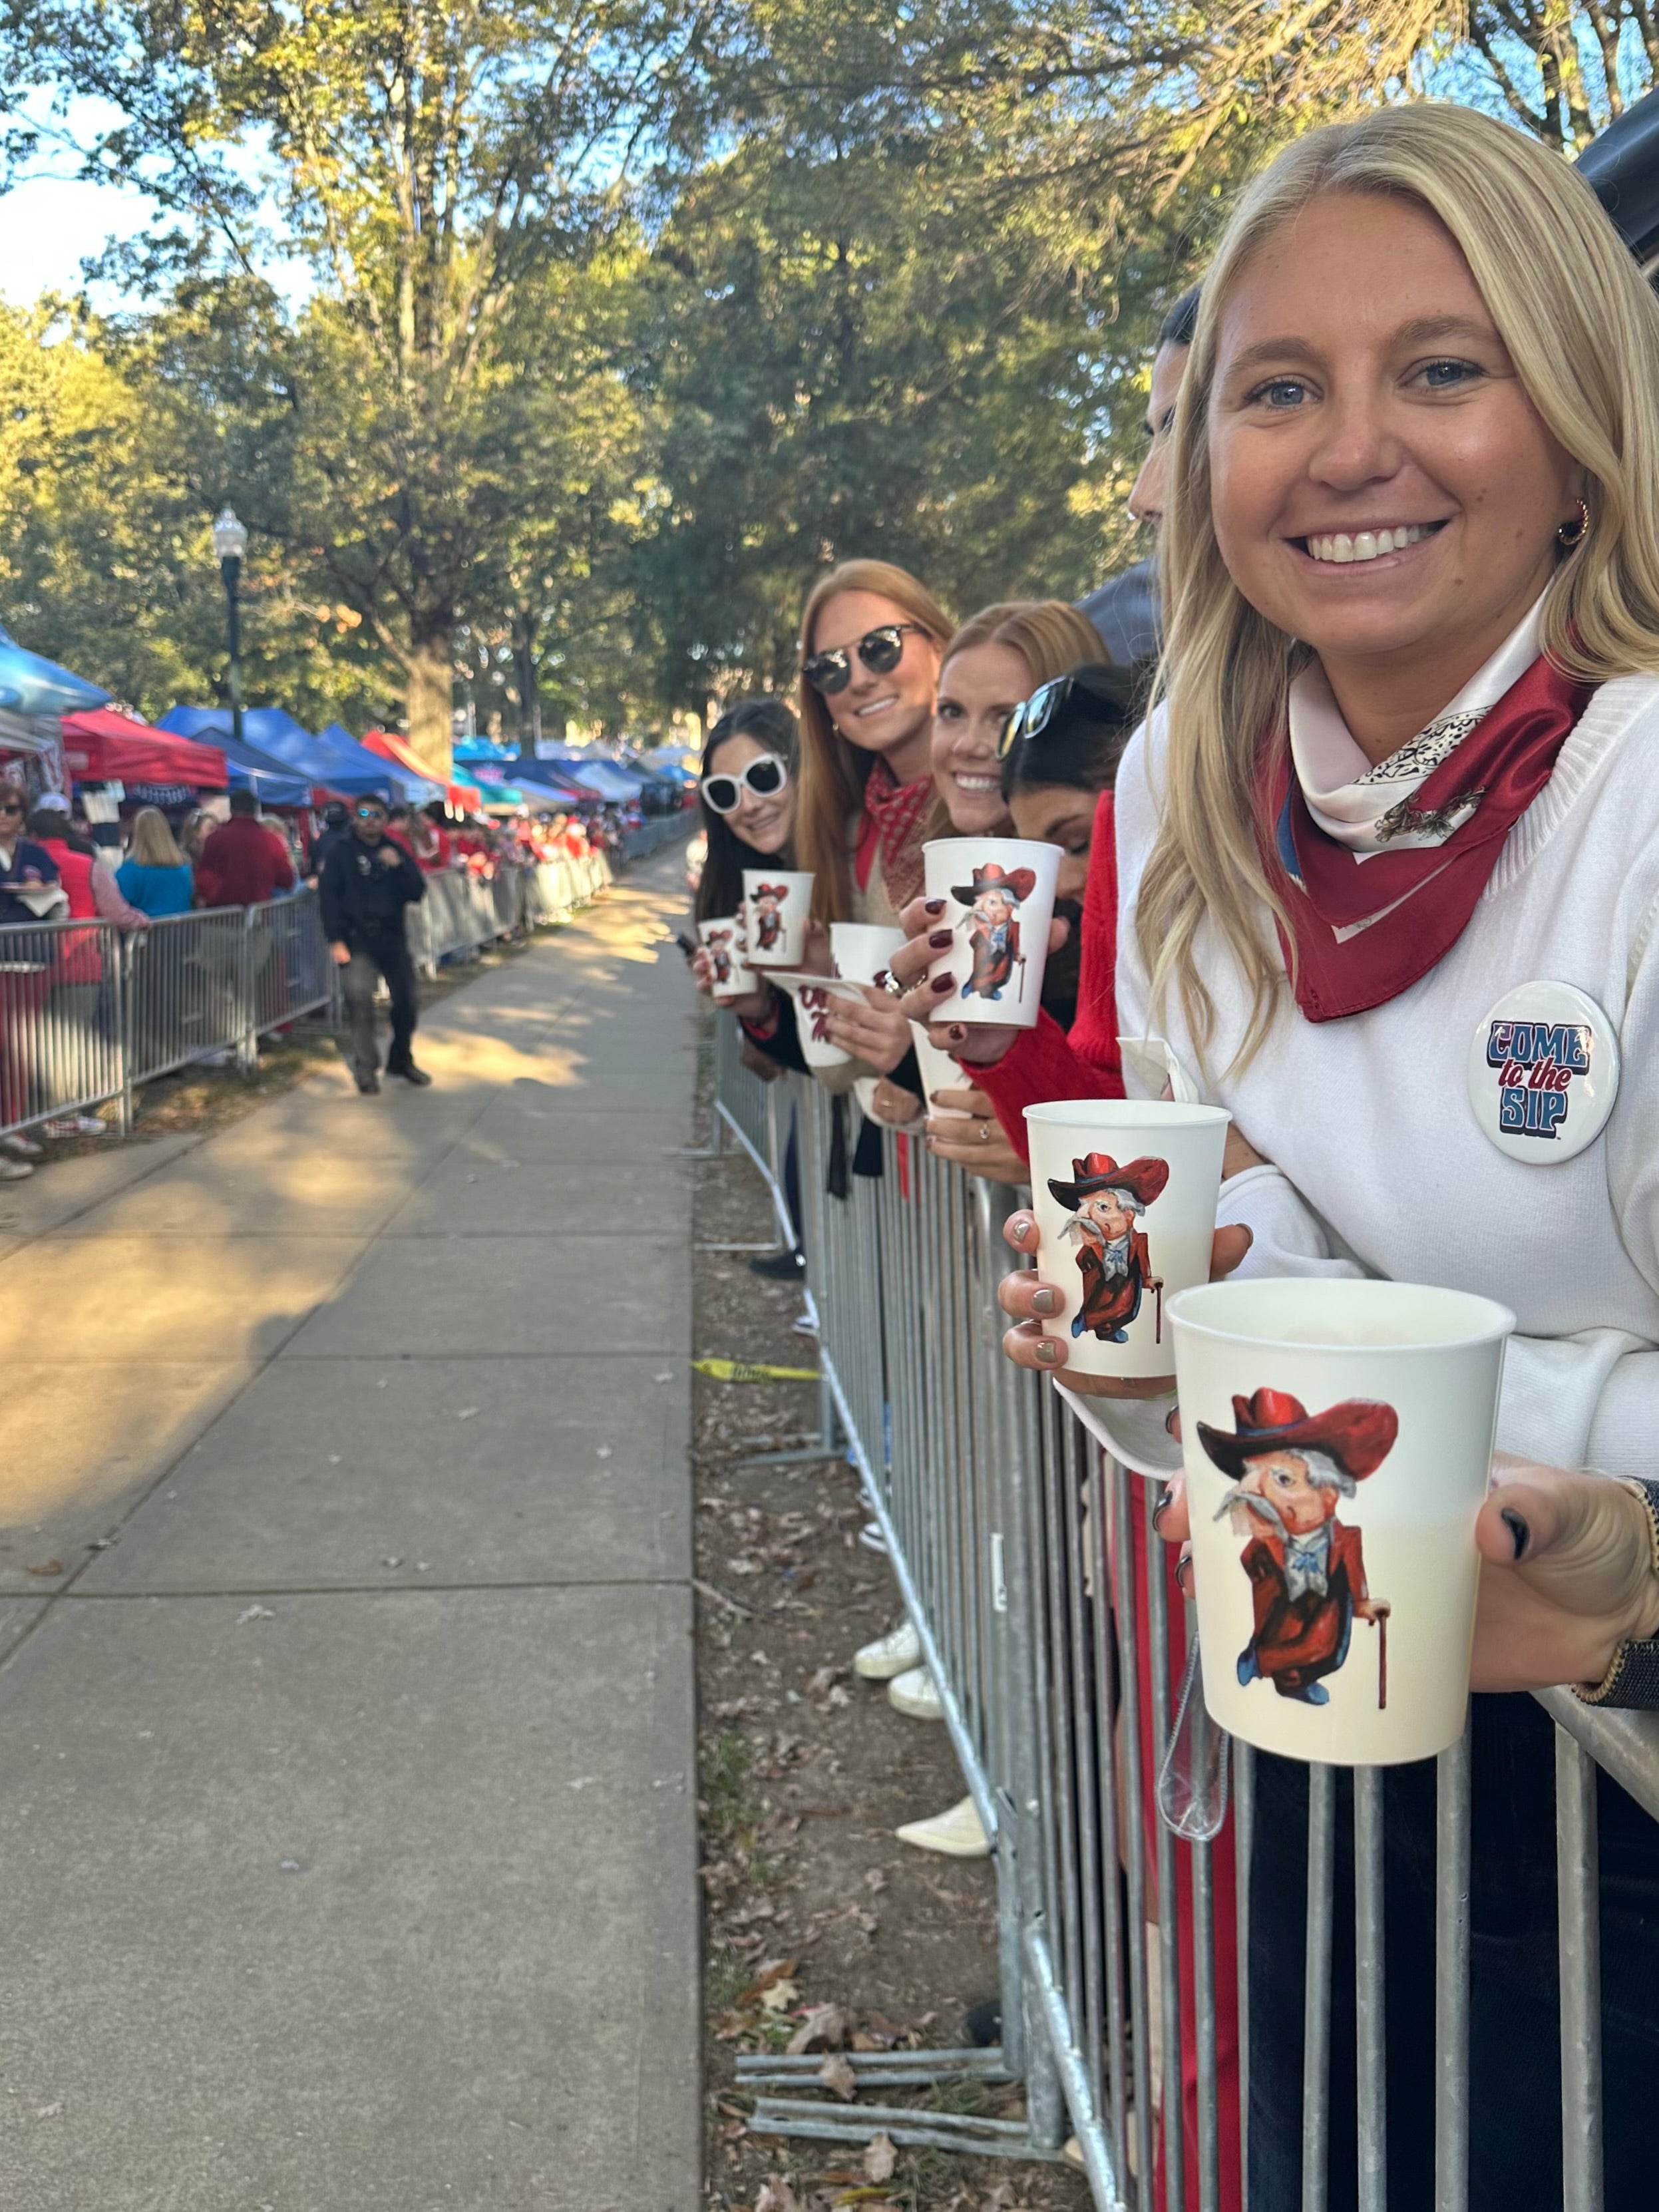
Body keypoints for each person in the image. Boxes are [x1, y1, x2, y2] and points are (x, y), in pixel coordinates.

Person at [916, 105, 1659, 2207]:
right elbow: (1246, 1257)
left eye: (1443, 366)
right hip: (1340, 1712)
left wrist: (1630, 1582)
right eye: (1276, 387)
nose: (1350, 450)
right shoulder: (1180, 785)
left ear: (1584, 413)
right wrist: (1137, 1360)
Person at [30, 797, 146, 1140]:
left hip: (26, 964)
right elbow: (116, 912)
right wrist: (141, 921)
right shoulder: (86, 865)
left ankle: (33, 1115)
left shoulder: (20, 864)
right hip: (80, 962)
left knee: (33, 1042)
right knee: (68, 1042)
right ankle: (62, 1114)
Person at [319, 796, 429, 1093]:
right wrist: (335, 939)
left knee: (407, 1001)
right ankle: (366, 1068)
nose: (371, 820)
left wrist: (400, 868)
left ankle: (400, 1059)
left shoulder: (394, 849)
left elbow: (417, 890)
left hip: (392, 937)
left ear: (384, 819)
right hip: (356, 939)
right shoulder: (341, 852)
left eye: (377, 814)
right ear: (356, 817)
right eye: (365, 813)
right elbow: (329, 897)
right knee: (360, 1004)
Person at [194, 790, 297, 908]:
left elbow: (204, 880)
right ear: (255, 810)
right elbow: (287, 879)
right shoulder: (272, 840)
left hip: (222, 915)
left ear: (231, 809)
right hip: (258, 916)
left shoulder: (215, 839)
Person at [116, 808, 194, 917]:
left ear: (136, 832)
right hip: (184, 931)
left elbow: (118, 904)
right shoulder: (185, 868)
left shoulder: (129, 871)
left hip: (147, 931)